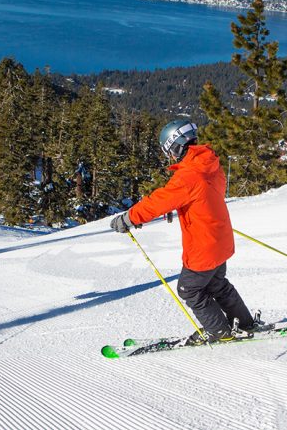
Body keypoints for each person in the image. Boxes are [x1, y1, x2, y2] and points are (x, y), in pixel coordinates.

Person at [110, 120, 268, 345]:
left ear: (176, 147)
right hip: (220, 239)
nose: (171, 158)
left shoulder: (188, 176)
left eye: (170, 152)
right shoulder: (211, 165)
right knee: (217, 285)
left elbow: (157, 202)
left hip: (204, 246)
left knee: (189, 289)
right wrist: (182, 204)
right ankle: (244, 323)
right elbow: (202, 195)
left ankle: (219, 332)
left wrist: (128, 218)